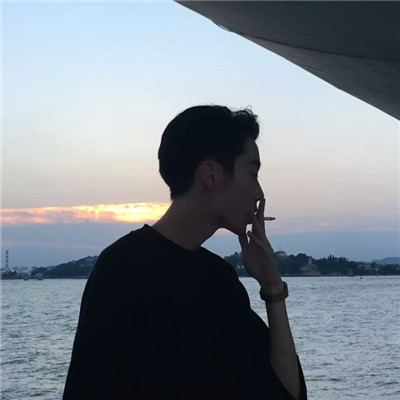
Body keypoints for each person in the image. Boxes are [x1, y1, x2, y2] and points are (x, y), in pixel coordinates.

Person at [63, 105, 307, 400]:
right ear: (211, 175)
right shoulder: (121, 270)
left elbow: (285, 394)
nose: (259, 193)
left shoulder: (219, 279)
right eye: (253, 173)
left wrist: (272, 286)